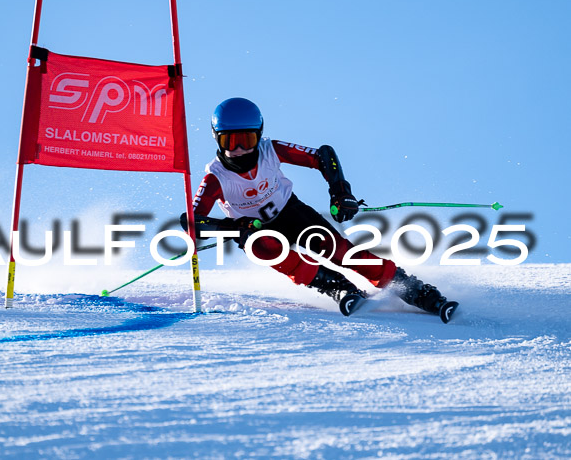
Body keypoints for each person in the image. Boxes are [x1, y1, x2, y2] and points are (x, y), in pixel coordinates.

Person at [183, 97, 454, 319]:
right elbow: (193, 222)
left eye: (248, 140)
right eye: (230, 142)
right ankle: (337, 287)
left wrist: (340, 193)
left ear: (259, 136)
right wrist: (233, 228)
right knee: (262, 246)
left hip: (292, 214)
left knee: (337, 250)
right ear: (216, 140)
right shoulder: (216, 178)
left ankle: (411, 288)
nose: (240, 149)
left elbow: (323, 156)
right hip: (254, 230)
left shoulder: (271, 151)